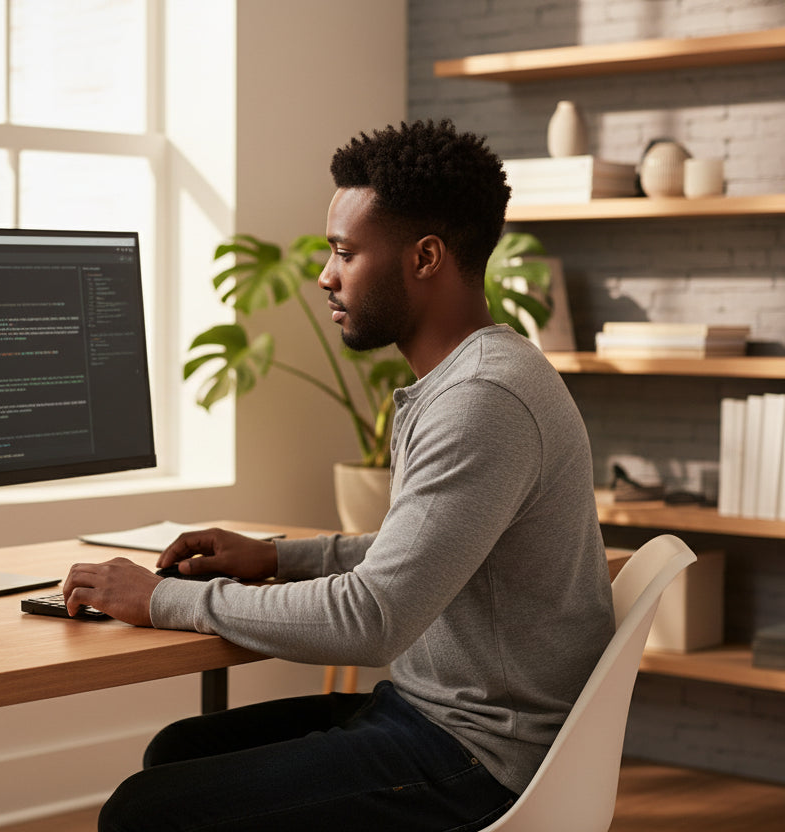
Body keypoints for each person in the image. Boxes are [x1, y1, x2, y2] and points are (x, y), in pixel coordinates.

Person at [63, 119, 616, 832]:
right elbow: (420, 554)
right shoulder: (473, 376)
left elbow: (373, 617)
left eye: (345, 252)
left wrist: (163, 598)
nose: (326, 275)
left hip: (478, 756)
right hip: (435, 715)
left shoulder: (484, 400)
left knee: (144, 813)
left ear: (425, 257)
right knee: (177, 751)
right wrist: (273, 557)